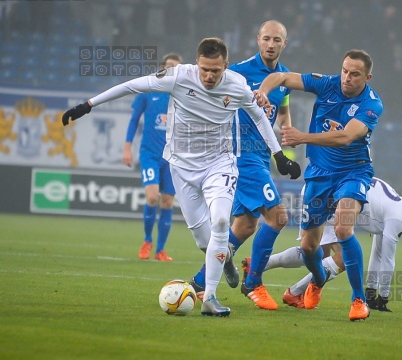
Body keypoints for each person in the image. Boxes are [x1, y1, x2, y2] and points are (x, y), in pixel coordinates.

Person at [61, 37, 301, 317]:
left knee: (223, 221)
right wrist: (88, 104)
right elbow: (131, 85)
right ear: (196, 63)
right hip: (182, 168)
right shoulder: (178, 76)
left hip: (220, 164)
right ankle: (226, 261)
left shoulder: (236, 84)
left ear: (225, 66)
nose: (209, 76)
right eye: (204, 70)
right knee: (205, 242)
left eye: (215, 70)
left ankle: (210, 297)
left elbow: (260, 117)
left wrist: (278, 155)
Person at [255, 49, 383, 321]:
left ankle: (359, 300)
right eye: (345, 70)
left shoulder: (372, 104)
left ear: (368, 77)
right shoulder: (327, 83)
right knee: (310, 248)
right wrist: (263, 92)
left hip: (353, 172)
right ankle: (318, 278)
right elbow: (282, 77)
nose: (347, 78)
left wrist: (302, 137)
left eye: (355, 74)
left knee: (343, 227)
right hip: (319, 175)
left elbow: (346, 137)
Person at [188, 20, 293, 311]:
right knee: (278, 217)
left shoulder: (284, 77)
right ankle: (253, 282)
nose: (271, 44)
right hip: (241, 154)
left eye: (277, 40)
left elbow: (282, 108)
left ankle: (197, 284)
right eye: (266, 38)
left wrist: (287, 131)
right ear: (258, 40)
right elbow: (209, 96)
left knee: (246, 225)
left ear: (285, 44)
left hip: (261, 155)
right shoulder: (239, 72)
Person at [248, 177, 402, 313]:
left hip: (324, 193)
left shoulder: (398, 207)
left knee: (315, 251)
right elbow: (388, 259)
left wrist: (372, 291)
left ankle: (258, 266)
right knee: (341, 258)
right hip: (332, 199)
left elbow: (377, 253)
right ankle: (294, 291)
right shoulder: (400, 217)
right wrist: (383, 297)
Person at [123, 52, 183, 261]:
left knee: (167, 202)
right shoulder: (148, 90)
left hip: (173, 157)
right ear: (161, 68)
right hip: (149, 154)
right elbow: (134, 120)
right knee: (151, 197)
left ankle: (160, 250)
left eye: (176, 68)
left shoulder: (183, 94)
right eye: (168, 66)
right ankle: (147, 240)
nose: (171, 71)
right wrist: (127, 147)